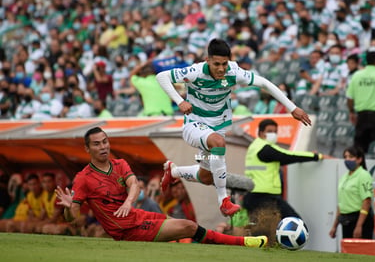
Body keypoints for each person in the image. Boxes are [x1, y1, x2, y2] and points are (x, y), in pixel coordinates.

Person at [156, 39, 311, 217]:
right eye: (216, 64)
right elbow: (161, 77)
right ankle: (224, 200)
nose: (221, 69)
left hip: (218, 125)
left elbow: (265, 84)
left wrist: (292, 108)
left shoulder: (234, 72)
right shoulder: (195, 72)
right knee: (218, 142)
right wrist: (180, 101)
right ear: (207, 60)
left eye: (224, 63)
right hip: (194, 124)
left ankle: (174, 171)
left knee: (206, 177)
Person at [55, 127, 268, 247]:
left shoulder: (119, 164)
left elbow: (134, 185)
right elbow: (71, 217)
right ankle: (243, 243)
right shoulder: (83, 178)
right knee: (189, 227)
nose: (103, 147)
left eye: (105, 141)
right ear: (87, 148)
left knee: (179, 224)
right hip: (126, 231)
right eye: (97, 144)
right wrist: (67, 207)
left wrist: (129, 202)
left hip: (137, 216)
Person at [243, 118, 327, 243]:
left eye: (275, 131)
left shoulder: (255, 147)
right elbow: (288, 156)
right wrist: (316, 156)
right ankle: (287, 246)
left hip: (255, 195)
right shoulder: (264, 148)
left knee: (263, 231)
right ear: (260, 133)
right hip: (264, 196)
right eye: (270, 131)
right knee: (294, 222)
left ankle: (274, 248)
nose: (273, 134)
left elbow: (281, 158)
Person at [329, 146, 374, 239]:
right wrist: (334, 226)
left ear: (359, 159)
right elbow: (341, 204)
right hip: (346, 220)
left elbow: (367, 201)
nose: (347, 159)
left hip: (359, 219)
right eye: (345, 157)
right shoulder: (345, 177)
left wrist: (359, 226)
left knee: (360, 251)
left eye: (350, 157)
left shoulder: (363, 175)